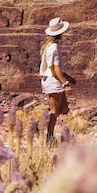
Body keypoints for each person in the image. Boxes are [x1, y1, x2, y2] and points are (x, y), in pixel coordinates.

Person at [40, 17, 77, 145]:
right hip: (53, 81)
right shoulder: (54, 47)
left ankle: (49, 131)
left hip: (53, 79)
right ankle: (49, 136)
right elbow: (54, 68)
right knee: (55, 111)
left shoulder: (50, 46)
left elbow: (57, 67)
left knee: (63, 108)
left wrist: (68, 77)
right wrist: (65, 83)